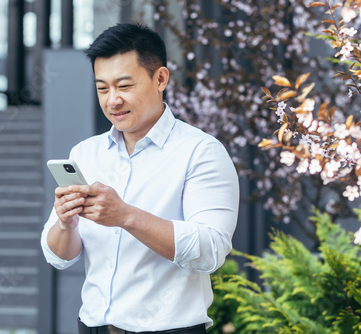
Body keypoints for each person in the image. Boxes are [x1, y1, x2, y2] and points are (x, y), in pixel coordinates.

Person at [40, 23, 239, 334]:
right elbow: (58, 257)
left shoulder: (201, 152)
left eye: (124, 86)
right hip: (91, 326)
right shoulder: (85, 153)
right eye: (102, 88)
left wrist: (126, 216)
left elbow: (211, 249)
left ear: (160, 78)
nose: (112, 100)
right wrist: (65, 224)